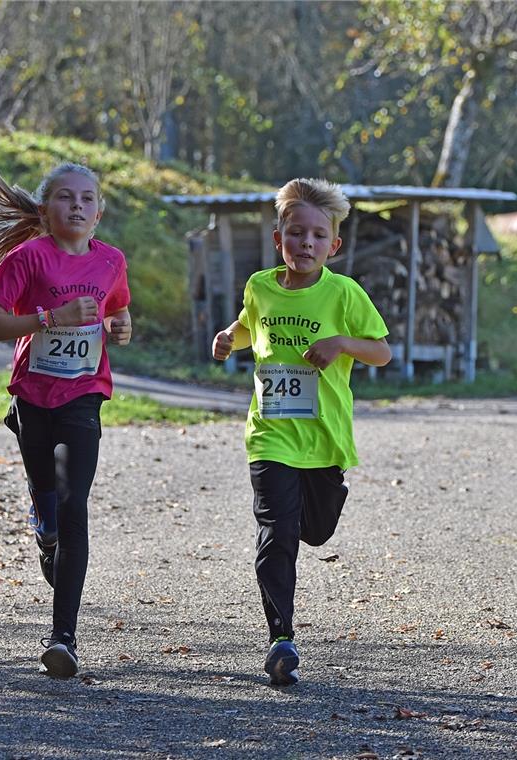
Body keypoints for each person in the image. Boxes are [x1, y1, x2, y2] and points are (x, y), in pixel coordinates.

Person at [0, 160, 131, 679]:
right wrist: (50, 319)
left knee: (75, 505)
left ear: (98, 212)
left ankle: (63, 639)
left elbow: (118, 311)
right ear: (45, 208)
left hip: (84, 395)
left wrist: (120, 328)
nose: (76, 206)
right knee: (47, 500)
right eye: (64, 198)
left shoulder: (111, 261)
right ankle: (44, 531)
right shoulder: (27, 257)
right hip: (33, 396)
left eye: (86, 199)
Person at [211, 178, 391, 686]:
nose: (305, 244)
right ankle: (281, 639)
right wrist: (230, 337)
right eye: (296, 234)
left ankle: (322, 508)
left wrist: (340, 343)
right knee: (276, 535)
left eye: (317, 236)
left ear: (333, 245)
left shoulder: (344, 293)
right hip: (270, 434)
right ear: (278, 239)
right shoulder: (260, 286)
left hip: (324, 437)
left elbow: (382, 351)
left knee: (315, 530)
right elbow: (251, 324)